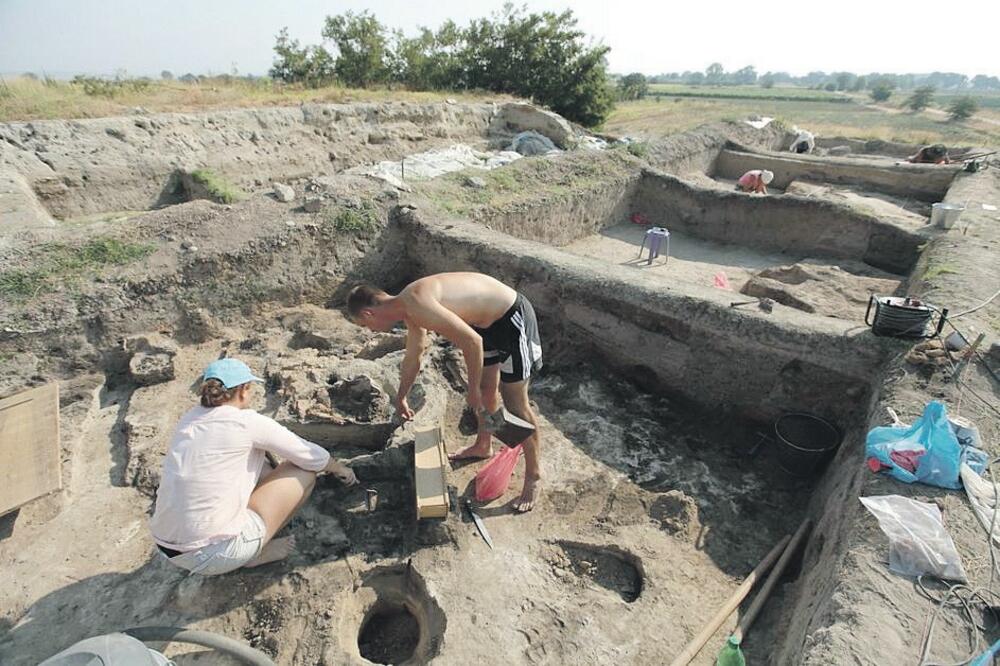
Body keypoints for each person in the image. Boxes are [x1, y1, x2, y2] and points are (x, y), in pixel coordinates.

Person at [345, 273, 543, 512]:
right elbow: (413, 356)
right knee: (486, 390)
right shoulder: (409, 309)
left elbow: (472, 343)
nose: (370, 330)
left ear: (369, 313)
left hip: (512, 318)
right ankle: (483, 445)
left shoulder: (417, 303)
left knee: (515, 404)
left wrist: (471, 392)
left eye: (365, 326)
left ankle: (534, 476)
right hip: (485, 325)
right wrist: (401, 397)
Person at [150, 358, 357, 576]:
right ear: (243, 390)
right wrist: (340, 469)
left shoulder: (189, 419)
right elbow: (309, 456)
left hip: (167, 547)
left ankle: (241, 540)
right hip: (215, 555)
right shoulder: (245, 422)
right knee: (303, 473)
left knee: (260, 462)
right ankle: (253, 553)